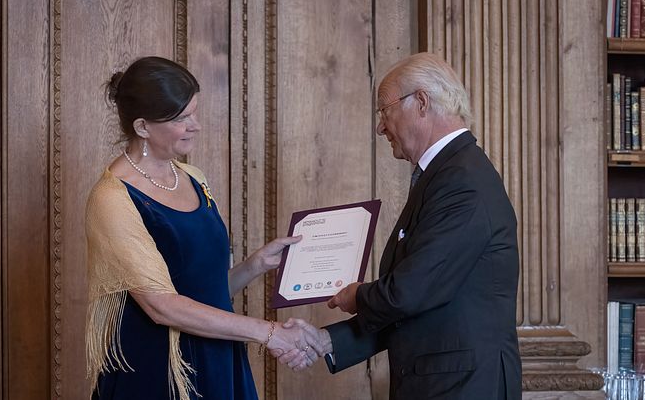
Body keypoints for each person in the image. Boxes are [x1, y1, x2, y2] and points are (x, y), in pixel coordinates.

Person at [282, 52, 522, 399]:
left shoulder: (462, 180)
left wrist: (358, 295)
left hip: (464, 388)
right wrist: (326, 341)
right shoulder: (446, 174)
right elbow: (420, 300)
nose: (381, 126)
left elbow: (410, 292)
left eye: (385, 109)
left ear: (421, 102)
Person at [85, 56, 317, 400]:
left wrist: (255, 265)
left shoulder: (194, 178)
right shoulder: (112, 197)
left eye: (194, 112)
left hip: (217, 357)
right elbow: (161, 305)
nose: (195, 125)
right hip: (156, 371)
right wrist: (269, 332)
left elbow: (205, 292)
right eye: (181, 118)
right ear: (142, 127)